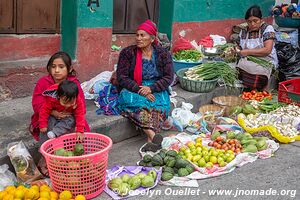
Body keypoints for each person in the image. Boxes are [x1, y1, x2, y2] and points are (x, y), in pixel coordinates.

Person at [116, 19, 174, 152]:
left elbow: (168, 77)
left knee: (159, 104)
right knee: (131, 101)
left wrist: (151, 89)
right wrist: (140, 90)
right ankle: (153, 135)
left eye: (143, 35)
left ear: (152, 38)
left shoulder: (163, 54)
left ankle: (150, 141)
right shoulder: (127, 53)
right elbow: (122, 77)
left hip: (155, 87)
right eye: (137, 35)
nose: (138, 38)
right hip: (134, 88)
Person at [30, 51, 90, 143]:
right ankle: (46, 151)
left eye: (61, 67)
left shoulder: (74, 84)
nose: (57, 70)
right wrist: (54, 112)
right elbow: (37, 104)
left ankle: (70, 151)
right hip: (49, 114)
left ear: (69, 69)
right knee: (48, 125)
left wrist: (79, 128)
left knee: (75, 127)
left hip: (69, 115)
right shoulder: (43, 82)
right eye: (53, 67)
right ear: (49, 68)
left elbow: (81, 107)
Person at [236, 5, 278, 90]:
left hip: (266, 61)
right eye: (249, 21)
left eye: (255, 21)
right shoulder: (243, 31)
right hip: (250, 61)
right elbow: (238, 46)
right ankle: (250, 87)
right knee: (237, 68)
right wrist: (236, 50)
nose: (252, 24)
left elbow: (267, 50)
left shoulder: (267, 29)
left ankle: (257, 88)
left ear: (261, 20)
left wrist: (247, 52)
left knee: (256, 74)